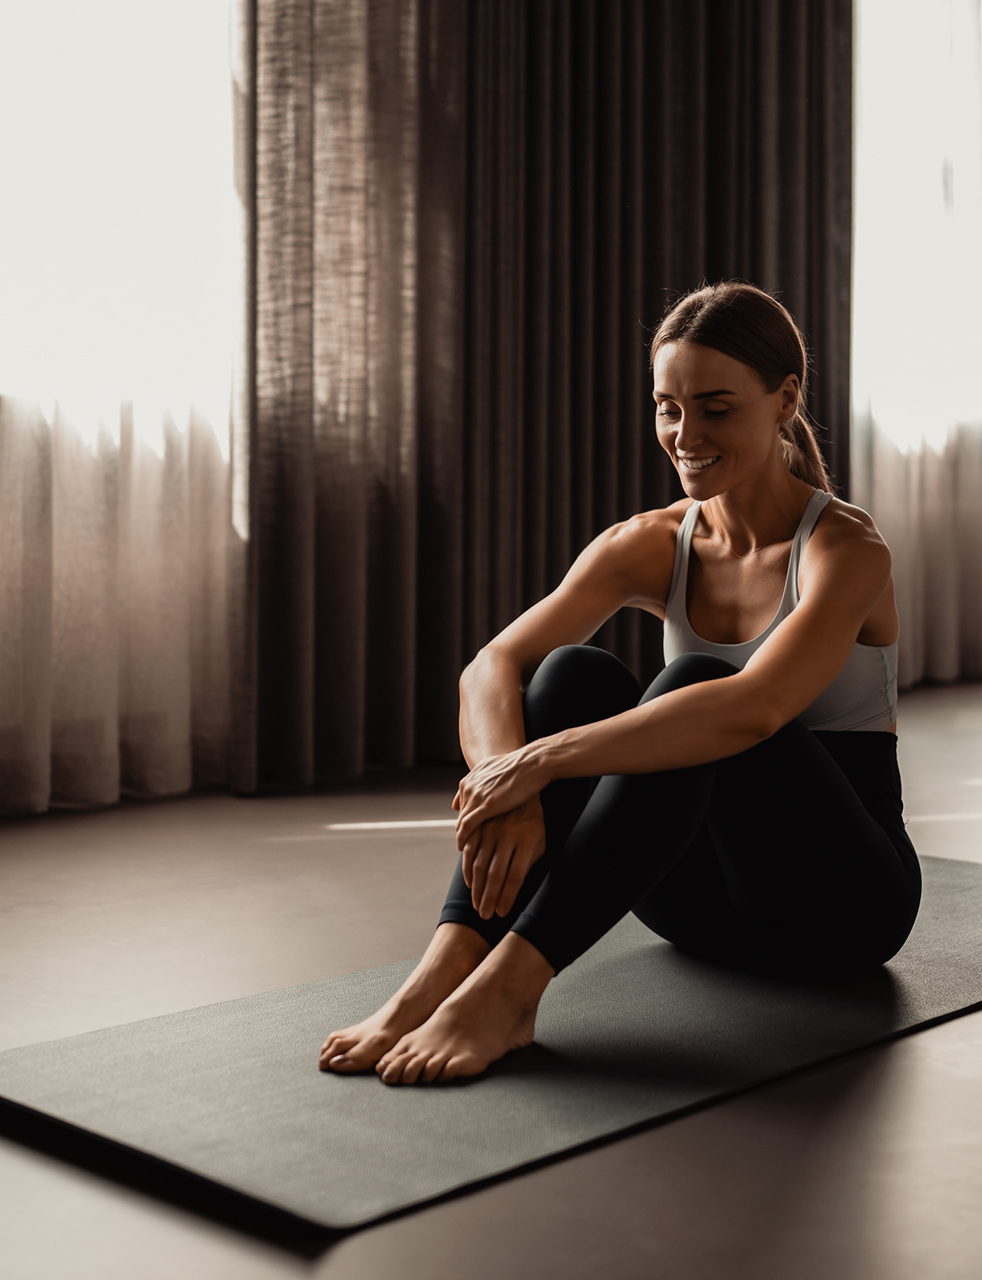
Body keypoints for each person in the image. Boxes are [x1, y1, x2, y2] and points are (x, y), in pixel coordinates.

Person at [319, 281, 919, 1086]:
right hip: (696, 910)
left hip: (837, 909)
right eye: (668, 408)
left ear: (785, 400)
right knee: (572, 673)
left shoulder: (846, 549)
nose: (684, 436)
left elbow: (755, 709)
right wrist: (509, 782)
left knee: (694, 686)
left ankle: (509, 991)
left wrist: (543, 761)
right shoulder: (651, 542)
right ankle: (448, 965)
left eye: (714, 409)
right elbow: (492, 666)